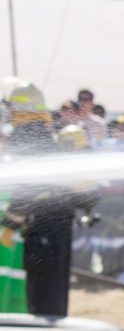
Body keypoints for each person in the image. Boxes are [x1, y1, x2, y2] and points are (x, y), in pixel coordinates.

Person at [2, 80, 96, 316]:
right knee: (55, 287)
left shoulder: (25, 137)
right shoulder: (44, 135)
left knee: (41, 293)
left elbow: (28, 186)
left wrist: (10, 224)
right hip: (59, 224)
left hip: (42, 228)